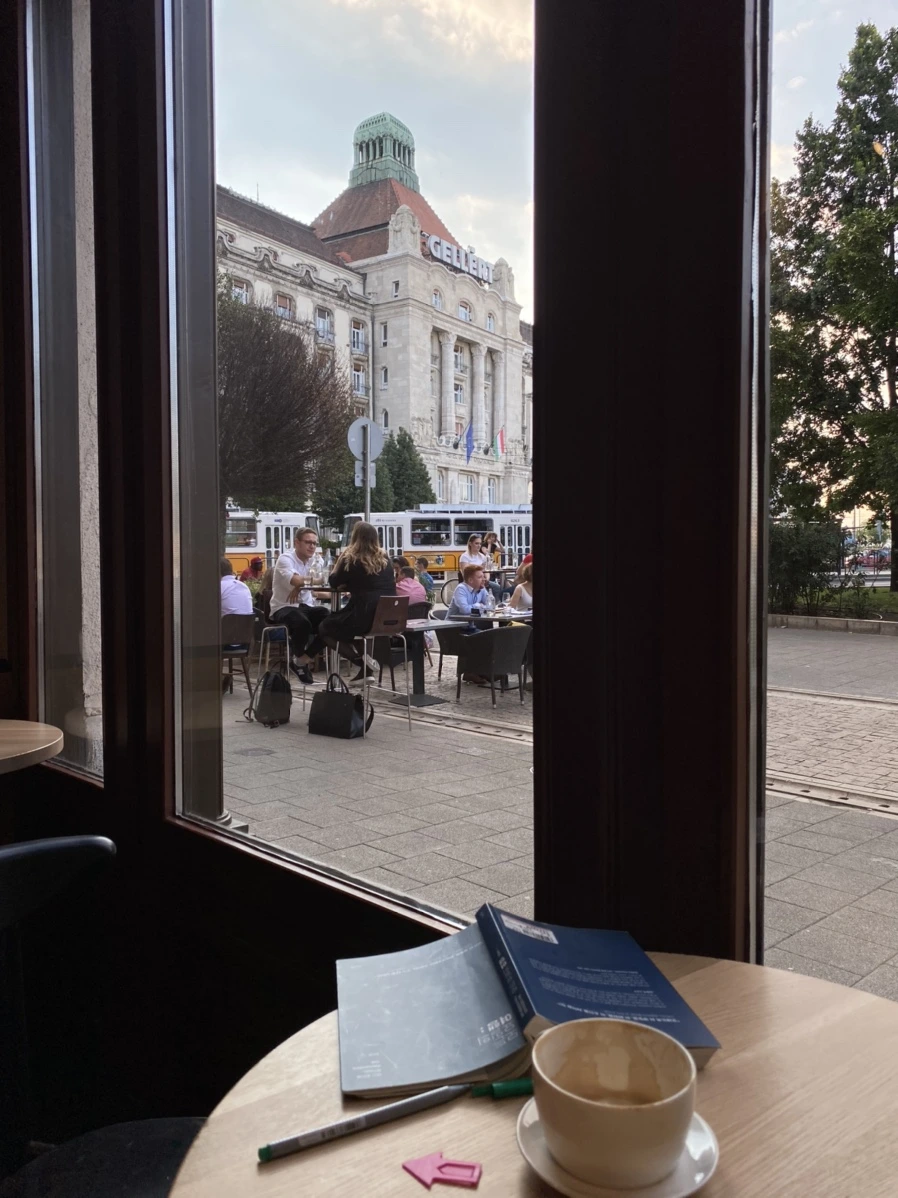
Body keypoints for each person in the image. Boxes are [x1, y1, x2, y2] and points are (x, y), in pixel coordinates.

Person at [320, 521, 396, 680]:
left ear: (355, 538)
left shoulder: (352, 559)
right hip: (387, 619)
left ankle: (361, 663)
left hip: (363, 617)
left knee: (324, 628)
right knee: (353, 629)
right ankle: (366, 672)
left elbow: (333, 581)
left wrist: (340, 560)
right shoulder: (386, 560)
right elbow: (371, 582)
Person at [270, 527, 329, 685]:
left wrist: (301, 584)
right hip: (284, 606)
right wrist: (303, 583)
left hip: (306, 605)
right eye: (308, 542)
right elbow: (304, 580)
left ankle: (302, 660)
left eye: (314, 543)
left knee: (331, 620)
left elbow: (324, 578)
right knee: (302, 622)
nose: (312, 546)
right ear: (297, 543)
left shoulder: (316, 560)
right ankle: (299, 660)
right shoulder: (285, 559)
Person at [458, 535, 501, 600]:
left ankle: (495, 604)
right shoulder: (464, 556)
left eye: (480, 544)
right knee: (486, 590)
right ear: (470, 544)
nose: (479, 546)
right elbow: (465, 573)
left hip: (482, 581)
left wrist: (487, 579)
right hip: (471, 582)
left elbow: (486, 570)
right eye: (476, 543)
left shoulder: (482, 556)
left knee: (497, 588)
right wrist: (479, 568)